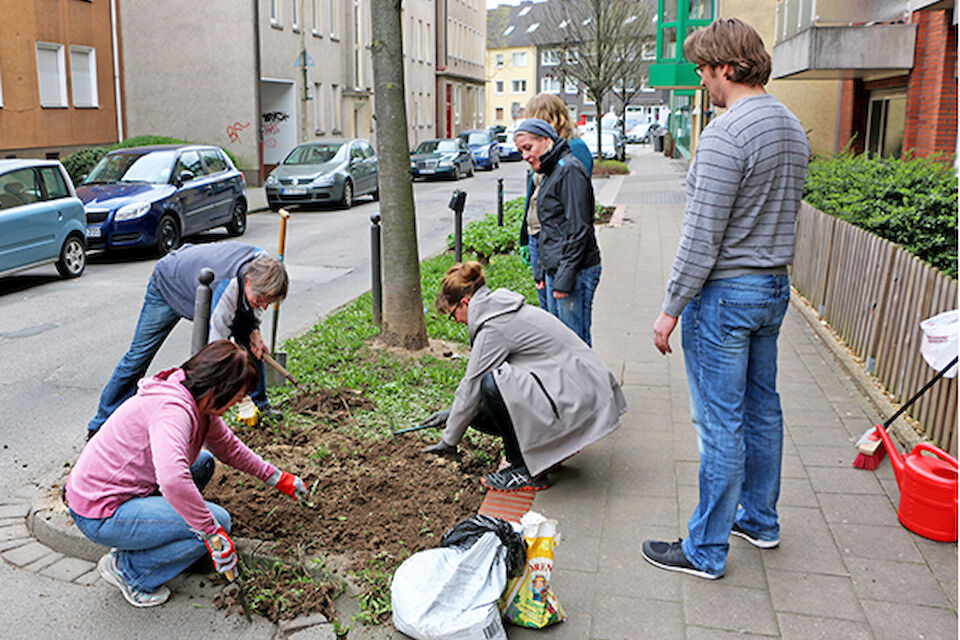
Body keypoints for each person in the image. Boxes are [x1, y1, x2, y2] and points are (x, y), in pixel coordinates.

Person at [642, 18, 810, 580]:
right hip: (772, 288)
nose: (701, 80)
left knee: (720, 422)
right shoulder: (789, 125)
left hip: (725, 297)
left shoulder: (725, 133)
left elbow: (701, 236)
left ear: (728, 69)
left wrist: (670, 309)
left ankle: (706, 549)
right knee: (763, 409)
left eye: (704, 69)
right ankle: (759, 519)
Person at [66, 340, 307, 607]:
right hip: (100, 510)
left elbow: (229, 448)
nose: (236, 405)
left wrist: (277, 478)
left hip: (122, 492)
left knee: (202, 461)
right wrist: (210, 531)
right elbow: (172, 479)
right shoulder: (173, 411)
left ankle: (146, 537)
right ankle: (131, 571)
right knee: (218, 521)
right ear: (218, 389)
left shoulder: (196, 399)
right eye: (236, 397)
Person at [419, 262, 626, 491]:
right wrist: (452, 415)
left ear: (465, 303)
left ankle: (525, 470)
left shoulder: (494, 326)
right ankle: (547, 453)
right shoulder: (499, 308)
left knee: (490, 386)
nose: (456, 321)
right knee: (478, 405)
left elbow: (472, 384)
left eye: (453, 314)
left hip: (582, 397)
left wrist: (449, 441)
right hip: (581, 389)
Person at [86, 241, 289, 440]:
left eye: (268, 303)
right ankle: (101, 424)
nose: (263, 306)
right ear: (248, 282)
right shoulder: (227, 288)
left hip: (203, 278)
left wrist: (254, 331)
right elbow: (216, 350)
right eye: (261, 301)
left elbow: (253, 309)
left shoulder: (262, 265)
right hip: (169, 282)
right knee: (138, 357)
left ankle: (260, 405)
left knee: (254, 350)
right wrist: (234, 389)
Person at [513, 118, 602, 346]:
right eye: (520, 151)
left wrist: (564, 279)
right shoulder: (550, 170)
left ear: (546, 140)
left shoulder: (569, 170)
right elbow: (548, 227)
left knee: (575, 345)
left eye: (528, 148)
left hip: (576, 271)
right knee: (559, 342)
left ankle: (589, 383)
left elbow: (578, 229)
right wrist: (542, 270)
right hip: (557, 268)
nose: (525, 156)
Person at [519, 94, 594, 312]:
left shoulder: (573, 150)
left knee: (568, 326)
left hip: (559, 241)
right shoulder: (542, 153)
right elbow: (533, 198)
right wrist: (525, 236)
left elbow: (576, 203)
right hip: (541, 239)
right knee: (550, 316)